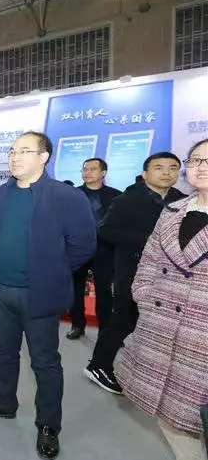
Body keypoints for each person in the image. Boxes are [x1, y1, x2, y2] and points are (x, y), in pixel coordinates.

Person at [0, 132, 96, 460]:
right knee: (4, 352)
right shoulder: (0, 194)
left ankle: (49, 425)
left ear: (44, 157)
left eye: (24, 151)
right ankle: (4, 402)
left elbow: (84, 245)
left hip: (38, 294)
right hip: (1, 290)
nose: (15, 157)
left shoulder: (65, 196)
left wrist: (50, 271)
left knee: (44, 362)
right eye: (12, 151)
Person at [117, 139, 208, 460]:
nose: (201, 167)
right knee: (168, 411)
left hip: (201, 337)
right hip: (160, 325)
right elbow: (150, 260)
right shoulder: (174, 210)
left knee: (197, 414)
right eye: (196, 160)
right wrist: (143, 296)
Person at [83, 152, 186, 395]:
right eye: (159, 167)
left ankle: (152, 371)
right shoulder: (128, 199)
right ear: (145, 173)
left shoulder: (182, 200)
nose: (166, 172)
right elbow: (106, 230)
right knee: (125, 318)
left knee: (157, 322)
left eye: (173, 167)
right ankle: (99, 365)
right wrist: (150, 241)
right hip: (132, 270)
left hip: (170, 273)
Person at [67, 158, 121, 339]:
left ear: (103, 173)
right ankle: (77, 325)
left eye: (92, 169)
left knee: (104, 292)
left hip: (104, 250)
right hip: (77, 249)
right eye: (85, 169)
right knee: (75, 290)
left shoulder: (116, 196)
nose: (87, 172)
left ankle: (105, 329)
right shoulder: (72, 195)